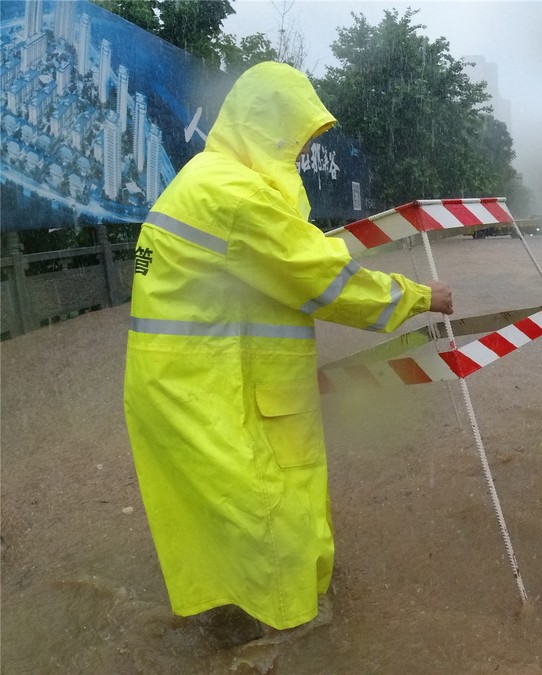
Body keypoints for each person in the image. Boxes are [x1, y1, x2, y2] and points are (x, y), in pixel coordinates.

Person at [122, 62, 452, 642]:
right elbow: (321, 278)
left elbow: (275, 267)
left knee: (246, 516)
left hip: (196, 385)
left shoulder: (205, 180)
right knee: (273, 523)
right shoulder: (235, 196)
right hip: (208, 393)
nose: (298, 156)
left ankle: (240, 624)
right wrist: (420, 297)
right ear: (270, 129)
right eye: (295, 140)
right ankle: (291, 638)